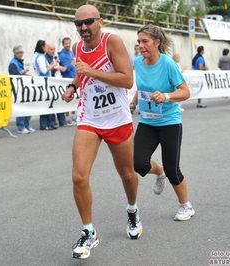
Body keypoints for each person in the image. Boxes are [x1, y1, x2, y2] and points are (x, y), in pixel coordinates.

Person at [62, 4, 141, 259]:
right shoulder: (76, 48)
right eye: (78, 23)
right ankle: (89, 232)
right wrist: (73, 86)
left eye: (88, 22)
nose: (83, 27)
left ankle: (132, 210)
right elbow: (81, 75)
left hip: (117, 118)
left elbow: (127, 80)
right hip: (89, 118)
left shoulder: (112, 42)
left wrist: (90, 71)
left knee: (127, 174)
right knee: (78, 176)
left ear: (100, 22)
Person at [130, 24, 193, 224]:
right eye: (139, 41)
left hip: (169, 122)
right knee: (138, 163)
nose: (140, 45)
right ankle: (159, 171)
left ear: (157, 43)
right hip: (147, 121)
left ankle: (185, 205)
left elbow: (185, 91)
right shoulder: (138, 63)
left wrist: (166, 96)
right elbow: (142, 88)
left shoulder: (168, 64)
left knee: (174, 170)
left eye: (145, 41)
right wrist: (133, 103)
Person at [8, 45, 36, 134]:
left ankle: (27, 125)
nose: (21, 54)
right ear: (15, 53)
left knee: (28, 106)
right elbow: (14, 76)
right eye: (19, 53)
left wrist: (28, 75)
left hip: (24, 87)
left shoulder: (19, 62)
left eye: (21, 52)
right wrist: (22, 72)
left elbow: (21, 74)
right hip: (18, 88)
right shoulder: (13, 63)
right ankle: (21, 127)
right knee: (22, 107)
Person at [32, 39, 59, 130]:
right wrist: (54, 64)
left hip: (43, 81)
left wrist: (51, 64)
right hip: (43, 81)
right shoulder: (40, 57)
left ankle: (47, 123)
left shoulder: (37, 56)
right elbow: (44, 70)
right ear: (42, 47)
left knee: (46, 103)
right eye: (46, 46)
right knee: (46, 103)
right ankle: (45, 124)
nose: (47, 47)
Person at [45, 43, 68, 127]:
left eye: (54, 49)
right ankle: (52, 122)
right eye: (51, 49)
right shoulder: (45, 59)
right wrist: (56, 68)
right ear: (47, 49)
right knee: (52, 102)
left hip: (58, 83)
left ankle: (62, 121)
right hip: (50, 83)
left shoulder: (55, 58)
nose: (53, 51)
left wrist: (61, 69)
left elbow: (57, 69)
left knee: (59, 101)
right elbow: (47, 70)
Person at [58, 37, 77, 126]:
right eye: (66, 43)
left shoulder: (71, 53)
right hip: (66, 78)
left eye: (69, 43)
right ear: (63, 44)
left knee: (74, 97)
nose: (68, 45)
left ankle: (73, 115)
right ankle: (67, 117)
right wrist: (72, 63)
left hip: (73, 77)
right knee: (67, 97)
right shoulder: (62, 55)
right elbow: (65, 68)